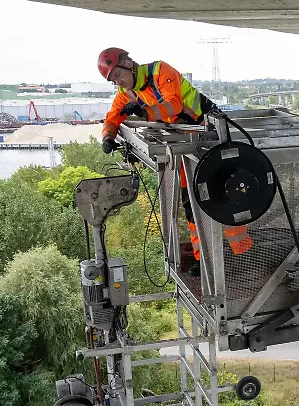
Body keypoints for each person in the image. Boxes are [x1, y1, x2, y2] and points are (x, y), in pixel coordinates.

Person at [97, 47, 252, 276]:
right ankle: (204, 259)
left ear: (128, 64)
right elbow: (113, 117)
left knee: (225, 192)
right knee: (191, 202)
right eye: (113, 81)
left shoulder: (161, 70)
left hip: (210, 133)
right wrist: (108, 136)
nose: (118, 82)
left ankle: (243, 254)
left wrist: (144, 112)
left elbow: (174, 105)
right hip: (186, 143)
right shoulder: (126, 92)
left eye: (118, 75)